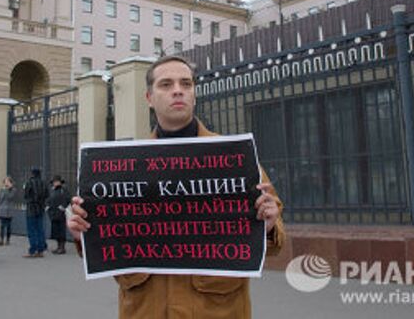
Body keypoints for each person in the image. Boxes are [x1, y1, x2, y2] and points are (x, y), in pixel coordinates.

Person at [67, 56, 285, 318]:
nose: (178, 90)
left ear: (194, 94)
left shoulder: (235, 157)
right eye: (166, 84)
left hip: (217, 310)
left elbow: (273, 244)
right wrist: (84, 234)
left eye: (186, 83)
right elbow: (106, 241)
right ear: (149, 97)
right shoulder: (123, 167)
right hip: (145, 310)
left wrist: (270, 225)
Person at [23, 167, 47, 258]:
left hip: (31, 208)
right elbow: (47, 195)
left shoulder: (29, 182)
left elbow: (26, 195)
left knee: (31, 230)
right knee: (40, 229)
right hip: (40, 208)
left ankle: (33, 249)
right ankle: (40, 250)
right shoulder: (43, 183)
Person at [46, 175, 71, 254]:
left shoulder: (63, 189)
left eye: (56, 181)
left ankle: (62, 247)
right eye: (54, 182)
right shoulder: (52, 190)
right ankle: (58, 246)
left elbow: (68, 198)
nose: (55, 183)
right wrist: (47, 206)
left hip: (60, 213)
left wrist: (63, 207)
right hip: (53, 212)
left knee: (61, 230)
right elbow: (49, 199)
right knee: (56, 230)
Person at [0, 176, 15, 246]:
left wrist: (7, 189)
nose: (6, 183)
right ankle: (1, 239)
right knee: (2, 225)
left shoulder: (13, 190)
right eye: (5, 182)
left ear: (11, 183)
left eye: (7, 182)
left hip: (9, 210)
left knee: (8, 226)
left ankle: (8, 239)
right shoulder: (2, 190)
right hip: (2, 209)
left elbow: (10, 197)